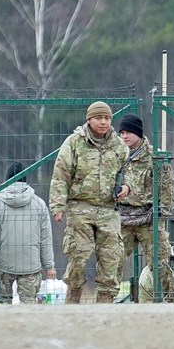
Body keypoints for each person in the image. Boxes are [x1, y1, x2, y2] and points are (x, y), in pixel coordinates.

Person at [49, 101, 130, 304]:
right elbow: (61, 175)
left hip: (108, 208)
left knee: (112, 257)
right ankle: (73, 297)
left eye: (107, 118)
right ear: (89, 119)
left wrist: (127, 187)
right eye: (99, 118)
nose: (103, 122)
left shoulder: (119, 145)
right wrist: (58, 206)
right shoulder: (74, 143)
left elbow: (129, 172)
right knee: (79, 255)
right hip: (80, 206)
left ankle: (105, 303)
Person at [115, 115, 174, 303]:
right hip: (122, 218)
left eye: (128, 132)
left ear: (138, 132)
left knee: (161, 264)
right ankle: (104, 302)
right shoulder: (117, 156)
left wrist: (161, 214)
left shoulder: (155, 157)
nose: (124, 136)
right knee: (112, 261)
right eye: (121, 133)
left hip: (149, 218)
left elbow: (167, 187)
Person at [0, 161, 56, 304]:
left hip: (3, 266)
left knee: (3, 305)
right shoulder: (39, 204)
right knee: (29, 306)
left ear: (6, 179)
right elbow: (46, 238)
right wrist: (49, 266)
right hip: (31, 266)